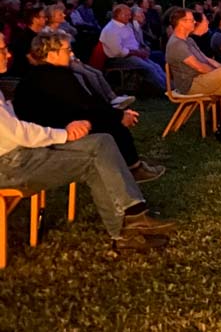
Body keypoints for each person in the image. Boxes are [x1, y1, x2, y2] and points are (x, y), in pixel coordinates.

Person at [0, 37, 175, 253]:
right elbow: (18, 133)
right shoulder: (52, 77)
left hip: (24, 152)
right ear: (52, 54)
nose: (9, 54)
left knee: (102, 142)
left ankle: (134, 217)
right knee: (96, 158)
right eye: (2, 49)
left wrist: (65, 130)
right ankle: (128, 226)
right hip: (12, 165)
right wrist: (64, 133)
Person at [15, 31, 166, 182]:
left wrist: (116, 113)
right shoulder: (55, 77)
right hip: (54, 132)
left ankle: (128, 164)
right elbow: (85, 107)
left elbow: (84, 105)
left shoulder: (39, 74)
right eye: (67, 50)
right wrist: (120, 116)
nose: (71, 53)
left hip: (53, 126)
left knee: (107, 119)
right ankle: (133, 168)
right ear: (51, 54)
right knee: (113, 126)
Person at [164, 7, 221, 138]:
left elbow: (207, 59)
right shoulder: (177, 44)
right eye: (191, 20)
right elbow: (200, 68)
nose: (194, 22)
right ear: (182, 22)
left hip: (202, 80)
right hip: (191, 85)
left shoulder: (188, 40)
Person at [100, 4, 167, 94]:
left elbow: (133, 42)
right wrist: (137, 53)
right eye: (127, 15)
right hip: (119, 59)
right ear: (118, 15)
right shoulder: (111, 30)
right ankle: (164, 89)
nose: (130, 17)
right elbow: (118, 52)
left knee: (156, 66)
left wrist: (141, 50)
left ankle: (169, 85)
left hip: (133, 54)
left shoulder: (127, 25)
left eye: (130, 15)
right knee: (148, 68)